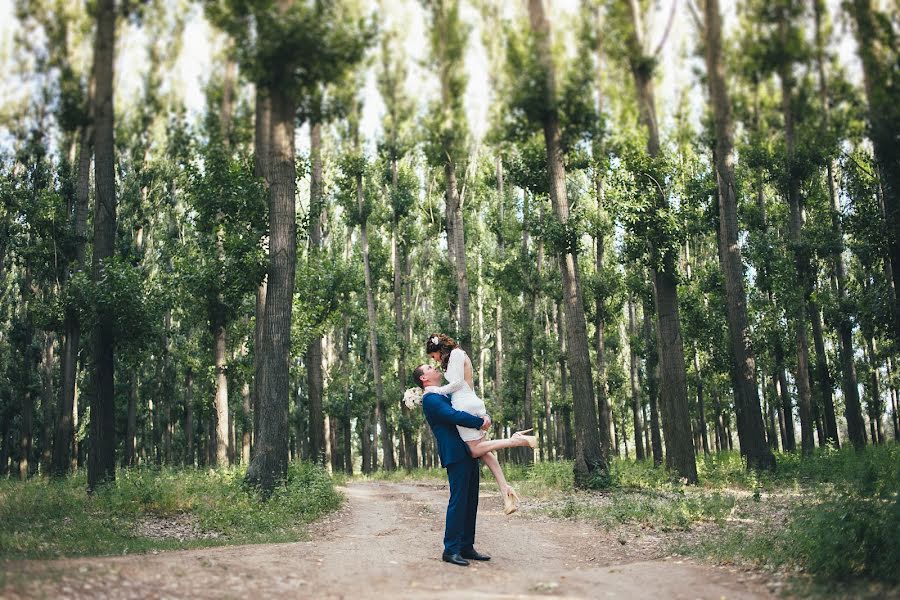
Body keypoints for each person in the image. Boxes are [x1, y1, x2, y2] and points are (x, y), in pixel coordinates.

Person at [424, 333, 536, 515]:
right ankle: (506, 492)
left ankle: (516, 440)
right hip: (472, 402)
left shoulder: (457, 354)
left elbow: (458, 383)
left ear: (437, 349)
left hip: (464, 404)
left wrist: (436, 390)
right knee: (485, 452)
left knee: (475, 450)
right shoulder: (454, 357)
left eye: (432, 356)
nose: (434, 359)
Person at [413, 363, 491, 567]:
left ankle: (466, 546)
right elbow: (453, 416)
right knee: (458, 500)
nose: (435, 367)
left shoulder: (445, 394)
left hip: (469, 449)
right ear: (424, 378)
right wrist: (479, 422)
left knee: (471, 499)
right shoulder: (430, 399)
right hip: (455, 453)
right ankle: (451, 549)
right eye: (429, 367)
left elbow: (464, 406)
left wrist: (484, 416)